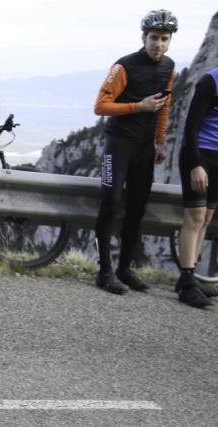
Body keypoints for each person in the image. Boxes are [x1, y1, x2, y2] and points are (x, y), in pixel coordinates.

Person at [93, 9, 177, 294]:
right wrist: (138, 107)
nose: (159, 44)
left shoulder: (169, 67)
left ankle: (124, 269)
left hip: (144, 148)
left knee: (137, 209)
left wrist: (161, 141)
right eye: (154, 38)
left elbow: (164, 105)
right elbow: (100, 106)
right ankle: (104, 272)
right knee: (111, 203)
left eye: (164, 39)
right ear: (144, 37)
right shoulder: (124, 66)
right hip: (118, 144)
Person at [174, 67, 218, 308]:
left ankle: (187, 279)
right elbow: (191, 128)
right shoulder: (210, 82)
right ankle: (187, 280)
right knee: (195, 217)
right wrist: (195, 166)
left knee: (207, 218)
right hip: (200, 155)